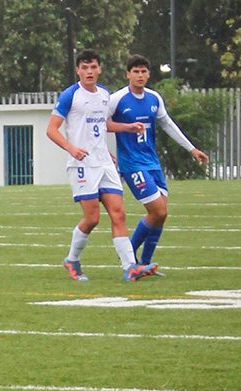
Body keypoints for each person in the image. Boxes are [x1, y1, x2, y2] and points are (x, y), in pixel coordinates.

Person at [46, 48, 158, 282]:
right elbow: (51, 129)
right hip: (82, 165)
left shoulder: (104, 94)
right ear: (78, 70)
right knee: (93, 218)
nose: (89, 71)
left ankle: (130, 267)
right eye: (84, 67)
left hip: (104, 164)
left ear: (99, 69)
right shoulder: (70, 95)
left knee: (119, 214)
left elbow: (103, 125)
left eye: (93, 67)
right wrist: (72, 149)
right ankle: (72, 259)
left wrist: (127, 128)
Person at [109, 54, 210, 274]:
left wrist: (191, 148)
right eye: (135, 71)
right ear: (127, 74)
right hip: (132, 164)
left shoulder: (154, 98)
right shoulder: (117, 99)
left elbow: (168, 124)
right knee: (157, 210)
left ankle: (145, 263)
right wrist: (106, 152)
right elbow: (102, 125)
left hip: (152, 162)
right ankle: (129, 256)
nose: (140, 75)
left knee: (161, 214)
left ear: (149, 74)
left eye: (144, 71)